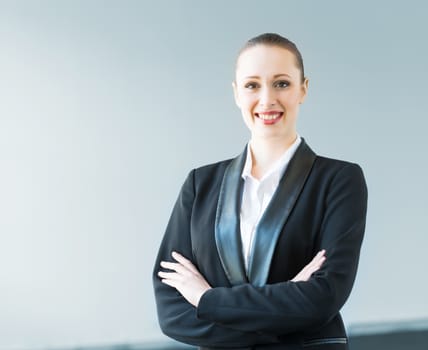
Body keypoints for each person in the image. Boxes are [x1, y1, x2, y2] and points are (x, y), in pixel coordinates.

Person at [152, 33, 367, 350]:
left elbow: (324, 296)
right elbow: (171, 309)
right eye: (253, 85)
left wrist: (205, 299)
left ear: (302, 89)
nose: (267, 99)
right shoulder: (200, 185)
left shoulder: (339, 180)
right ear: (237, 93)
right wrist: (283, 314)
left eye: (281, 83)